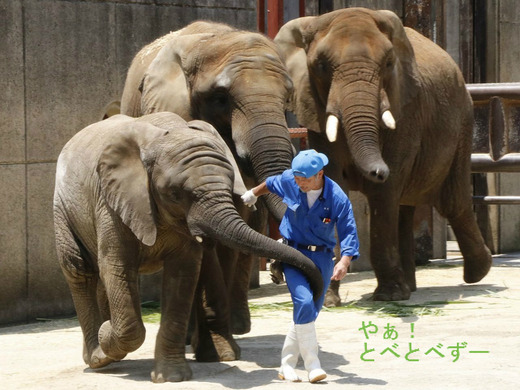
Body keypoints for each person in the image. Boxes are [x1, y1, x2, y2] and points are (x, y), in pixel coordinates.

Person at [241, 149, 360, 383]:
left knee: (309, 313)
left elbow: (348, 230)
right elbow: (271, 183)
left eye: (305, 179)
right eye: (297, 178)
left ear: (320, 175)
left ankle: (286, 365)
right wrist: (253, 193)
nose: (301, 183)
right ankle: (312, 364)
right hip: (293, 253)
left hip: (323, 258)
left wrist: (344, 261)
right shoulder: (291, 180)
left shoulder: (337, 197)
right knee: (303, 302)